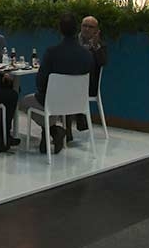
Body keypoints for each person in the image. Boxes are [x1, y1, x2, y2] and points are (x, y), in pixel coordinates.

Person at [19, 12, 93, 155]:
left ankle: (52, 130)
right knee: (47, 103)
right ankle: (51, 132)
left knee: (24, 102)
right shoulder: (87, 55)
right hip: (78, 103)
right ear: (77, 29)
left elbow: (41, 82)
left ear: (60, 30)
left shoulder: (52, 53)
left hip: (52, 102)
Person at [68, 15, 108, 139]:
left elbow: (103, 62)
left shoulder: (100, 45)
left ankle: (73, 123)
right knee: (62, 87)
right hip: (70, 80)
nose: (86, 29)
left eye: (90, 27)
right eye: (84, 26)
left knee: (67, 90)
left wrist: (96, 47)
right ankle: (67, 129)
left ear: (96, 30)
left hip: (89, 84)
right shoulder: (72, 41)